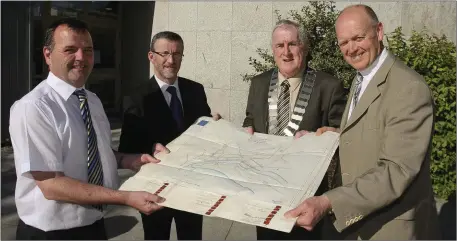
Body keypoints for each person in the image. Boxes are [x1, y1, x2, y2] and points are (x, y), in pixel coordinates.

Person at [286, 4, 441, 239]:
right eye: (343, 42)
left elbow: (396, 170)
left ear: (379, 32)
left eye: (358, 38)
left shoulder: (408, 88)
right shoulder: (363, 76)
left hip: (390, 227)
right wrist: (336, 135)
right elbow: (375, 130)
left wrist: (328, 201)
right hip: (360, 223)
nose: (351, 49)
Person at [9, 18, 169, 240]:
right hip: (50, 234)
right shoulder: (34, 107)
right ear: (47, 55)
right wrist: (124, 197)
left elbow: (98, 152)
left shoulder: (91, 100)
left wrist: (132, 160)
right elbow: (50, 184)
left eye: (88, 50)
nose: (81, 58)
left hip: (94, 225)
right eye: (70, 50)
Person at [242, 19, 346, 240]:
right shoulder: (259, 83)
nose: (286, 52)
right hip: (264, 194)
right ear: (273, 50)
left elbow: (342, 134)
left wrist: (321, 137)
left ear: (304, 48)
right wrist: (246, 130)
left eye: (292, 44)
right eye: (280, 46)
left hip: (306, 199)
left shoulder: (328, 86)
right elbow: (250, 119)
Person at [118, 31, 221, 240]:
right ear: (151, 56)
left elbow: (203, 128)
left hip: (192, 186)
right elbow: (127, 147)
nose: (171, 60)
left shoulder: (195, 90)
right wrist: (152, 146)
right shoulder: (137, 97)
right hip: (155, 187)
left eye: (177, 54)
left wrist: (215, 127)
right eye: (164, 53)